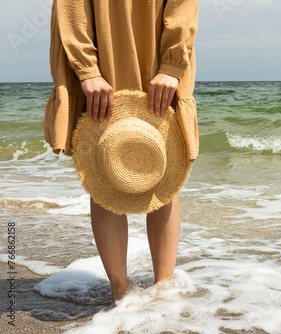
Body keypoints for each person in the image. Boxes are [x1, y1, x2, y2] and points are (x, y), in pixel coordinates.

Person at [44, 0, 199, 305]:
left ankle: (164, 289)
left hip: (155, 46)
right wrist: (87, 70)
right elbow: (70, 6)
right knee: (105, 163)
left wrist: (171, 64)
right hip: (100, 47)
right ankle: (120, 290)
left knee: (162, 162)